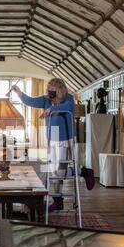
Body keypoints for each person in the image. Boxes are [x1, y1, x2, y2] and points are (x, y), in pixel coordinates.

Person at [11, 78, 75, 212]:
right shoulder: (45, 99)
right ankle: (58, 201)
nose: (49, 91)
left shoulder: (68, 98)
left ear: (59, 89)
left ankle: (83, 172)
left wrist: (51, 109)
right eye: (48, 88)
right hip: (53, 136)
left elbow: (67, 107)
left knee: (60, 171)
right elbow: (31, 101)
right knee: (52, 171)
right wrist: (19, 93)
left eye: (52, 88)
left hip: (65, 137)